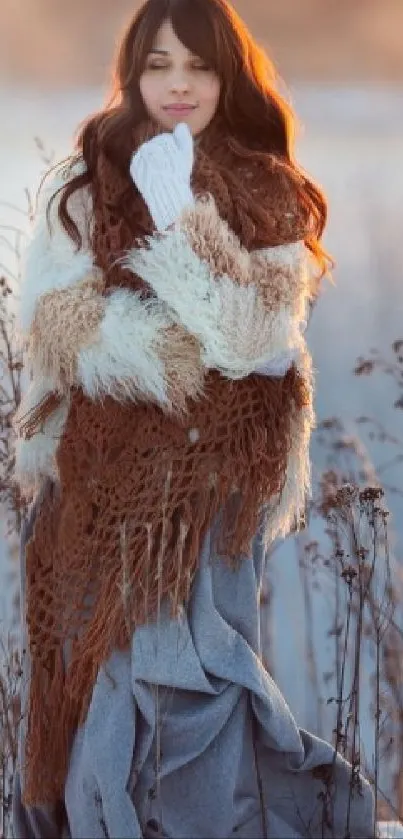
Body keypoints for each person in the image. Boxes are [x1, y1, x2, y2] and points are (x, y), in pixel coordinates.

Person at [11, 0, 374, 836]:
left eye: (198, 66)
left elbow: (252, 338)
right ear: (133, 73)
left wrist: (180, 222)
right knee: (103, 689)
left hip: (210, 494)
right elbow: (62, 326)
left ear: (228, 75)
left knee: (197, 691)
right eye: (159, 65)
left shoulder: (266, 189)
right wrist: (175, 356)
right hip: (98, 490)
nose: (178, 84)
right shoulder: (87, 176)